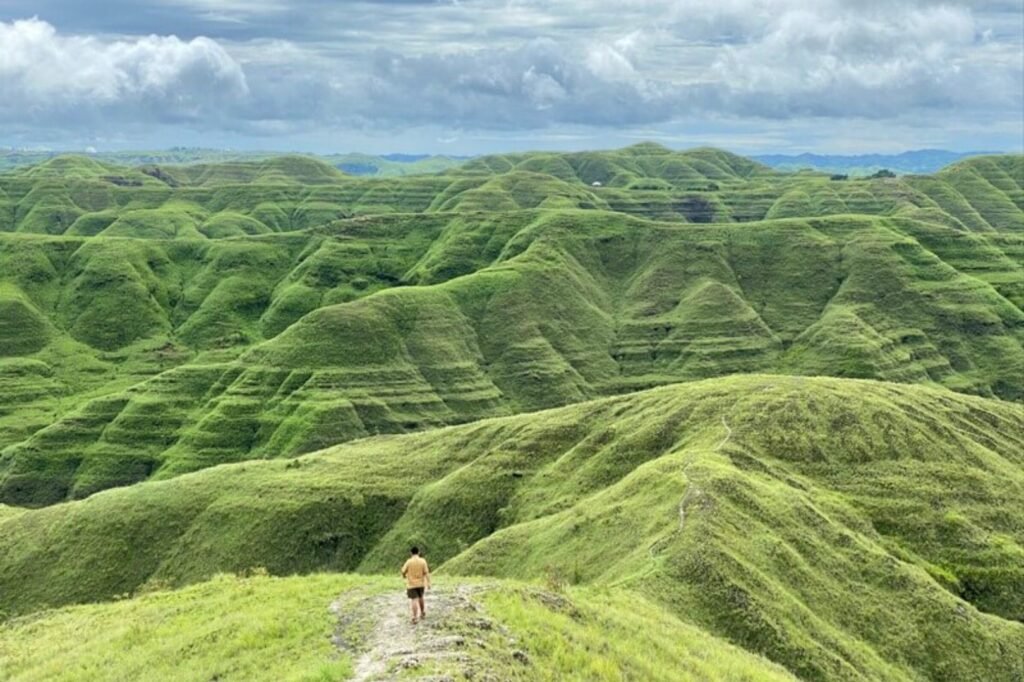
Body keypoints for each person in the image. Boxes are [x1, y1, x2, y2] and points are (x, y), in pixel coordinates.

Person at [401, 546, 430, 624]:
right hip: (421, 584)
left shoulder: (409, 561)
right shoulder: (423, 561)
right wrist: (429, 583)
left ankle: (414, 617)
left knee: (414, 600)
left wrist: (404, 576)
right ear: (419, 552)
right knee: (421, 597)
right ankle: (423, 613)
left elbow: (403, 571)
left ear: (411, 553)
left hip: (411, 584)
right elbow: (426, 572)